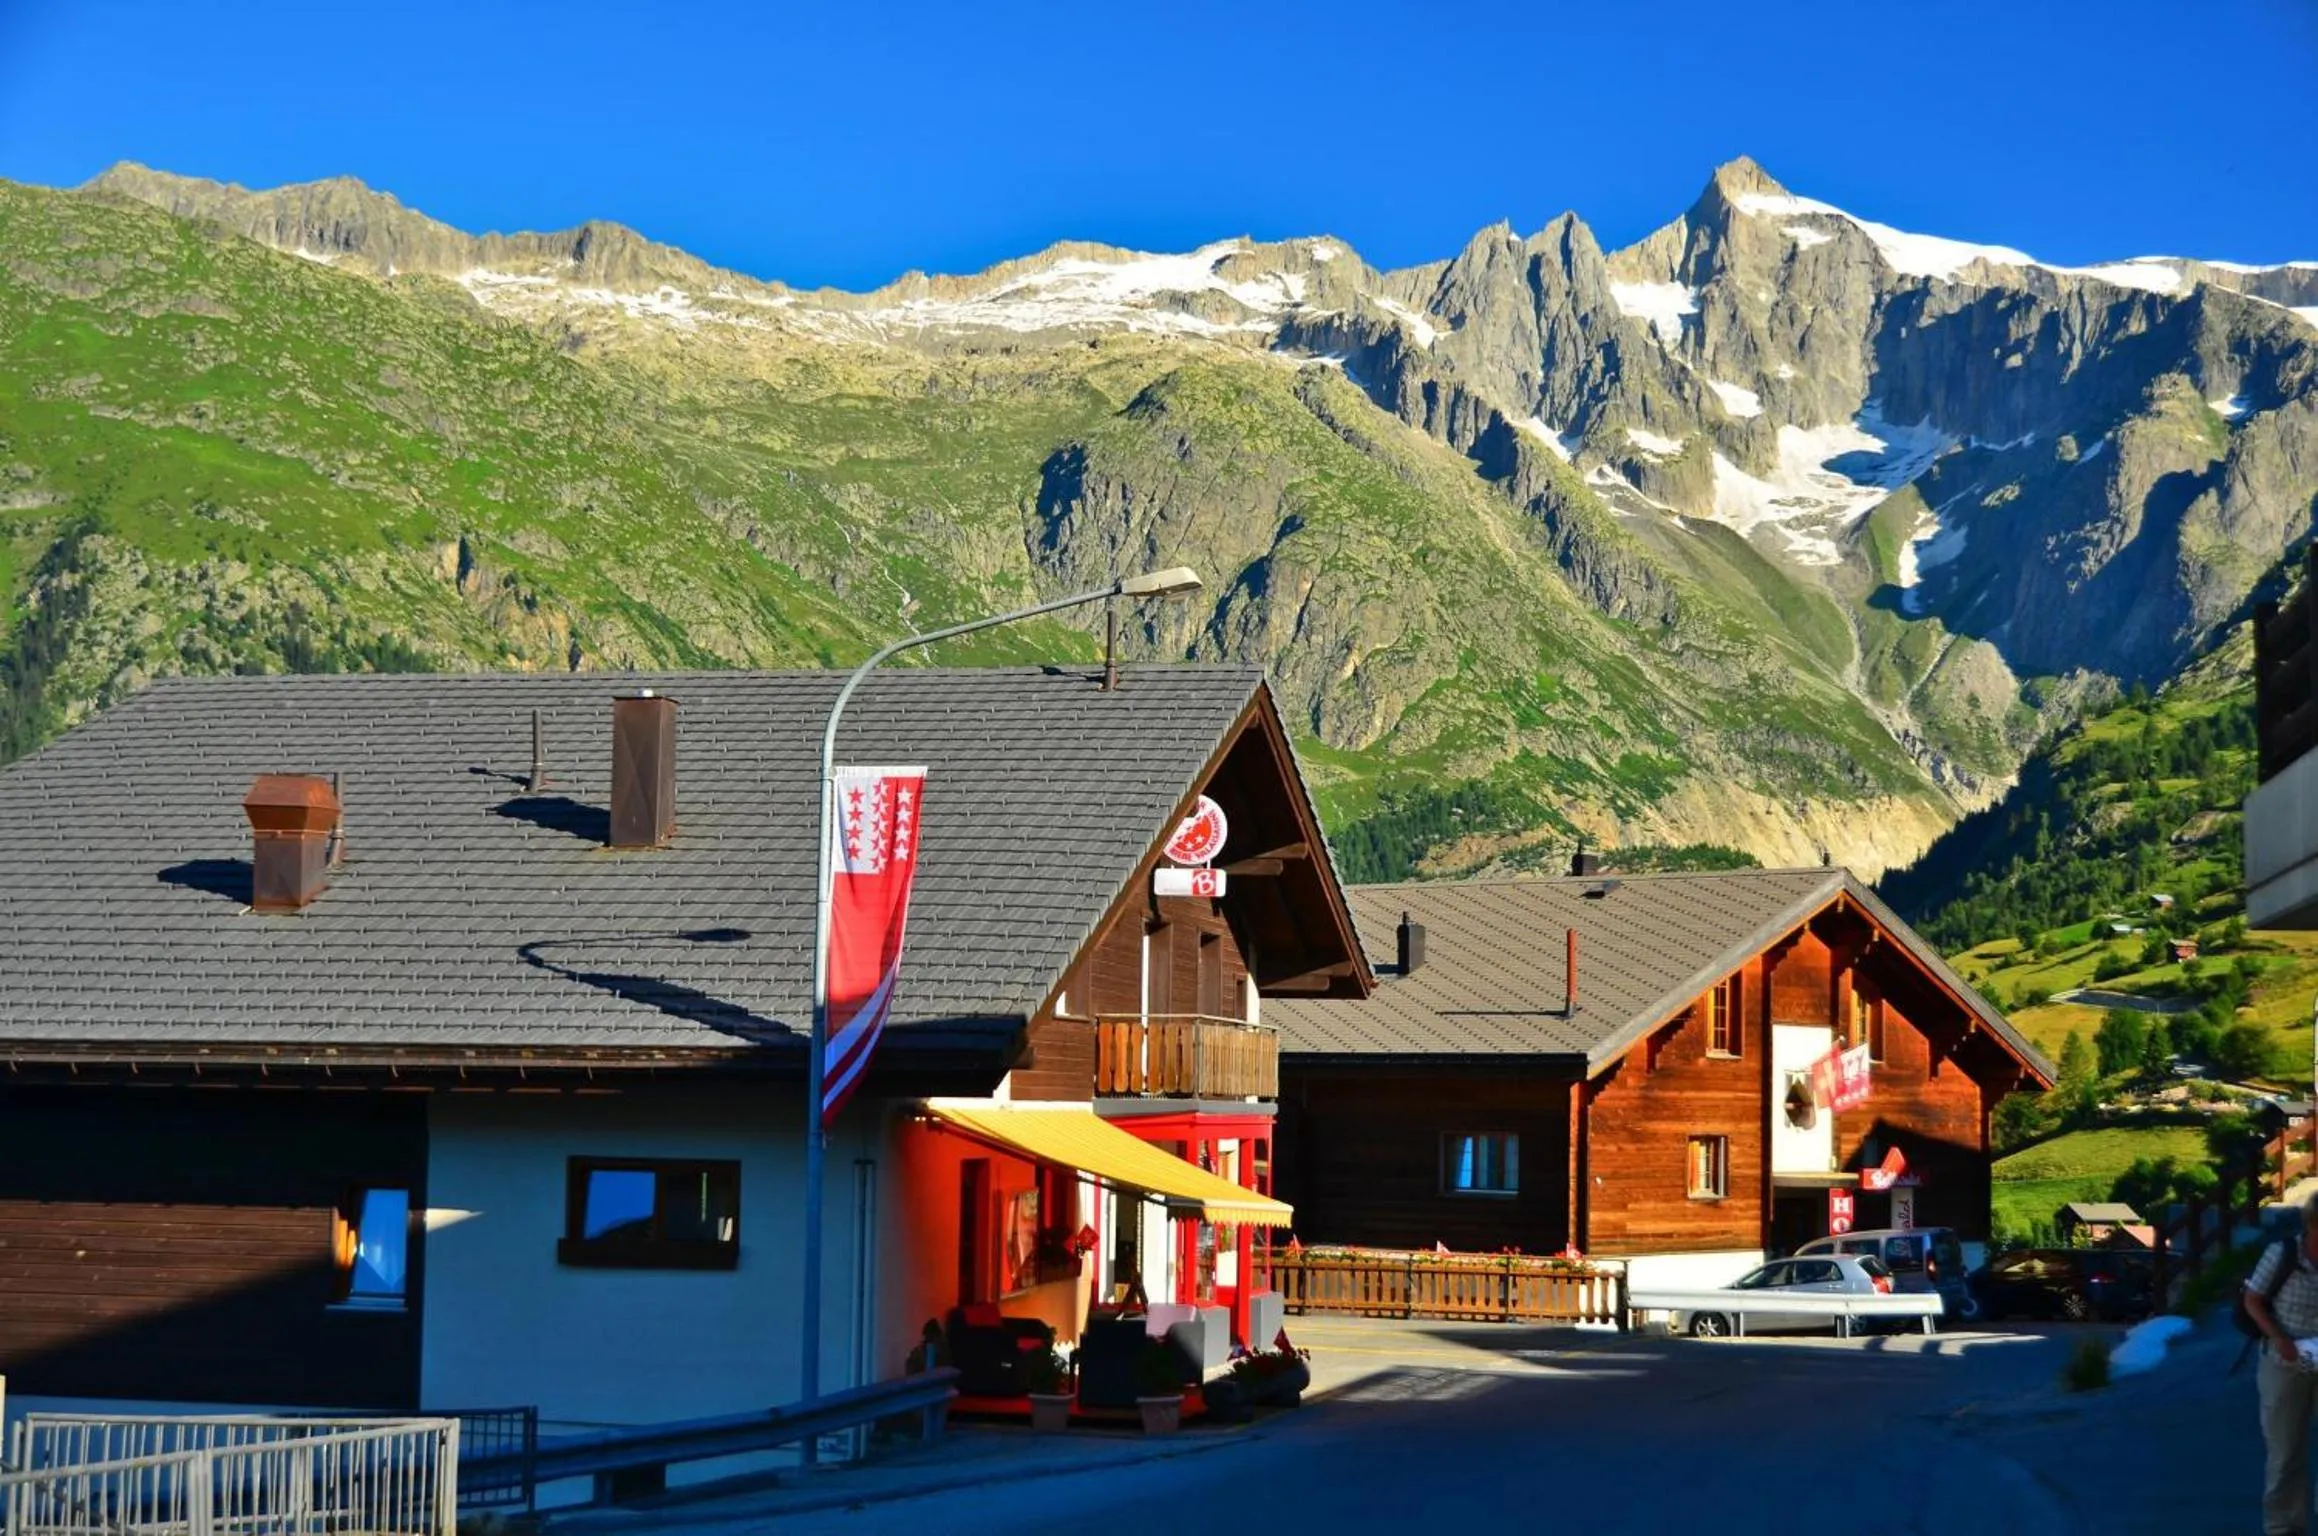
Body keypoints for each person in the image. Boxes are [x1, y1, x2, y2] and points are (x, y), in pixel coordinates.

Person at [2245, 1202, 2318, 1535]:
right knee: (2286, 1452)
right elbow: (2252, 1299)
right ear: (2311, 1224)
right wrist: (2279, 1338)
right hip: (2285, 1359)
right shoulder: (2284, 1252)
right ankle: (2284, 1527)